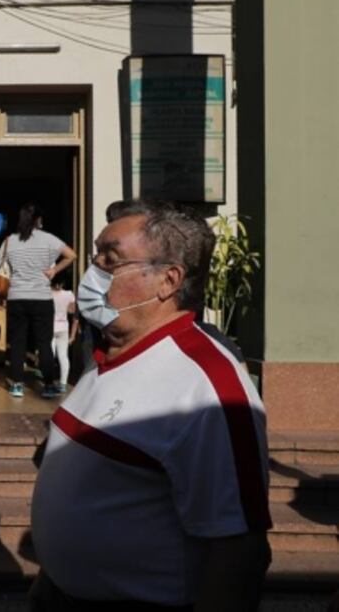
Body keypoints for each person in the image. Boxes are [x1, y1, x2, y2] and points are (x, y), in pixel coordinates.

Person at [29, 199, 271, 611]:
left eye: (110, 259)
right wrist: (51, 577)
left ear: (167, 280)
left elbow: (239, 552)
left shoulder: (209, 388)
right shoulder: (110, 353)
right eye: (95, 256)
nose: (92, 271)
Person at [0, 202, 76, 399]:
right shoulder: (48, 239)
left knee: (17, 343)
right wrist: (54, 270)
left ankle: (17, 385)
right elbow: (71, 255)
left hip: (17, 298)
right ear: (38, 219)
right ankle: (48, 385)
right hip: (41, 298)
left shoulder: (10, 241)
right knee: (44, 343)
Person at [50, 277, 78, 393]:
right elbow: (73, 312)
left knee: (50, 355)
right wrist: (73, 335)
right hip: (63, 328)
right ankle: (63, 383)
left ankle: (49, 382)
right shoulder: (69, 294)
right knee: (63, 356)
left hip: (50, 327)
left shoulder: (47, 294)